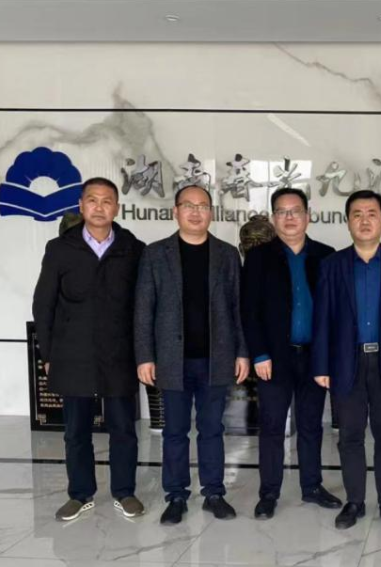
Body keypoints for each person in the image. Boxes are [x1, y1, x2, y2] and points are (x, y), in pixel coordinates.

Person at [32, 177, 146, 522]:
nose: (99, 207)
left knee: (124, 429)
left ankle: (125, 492)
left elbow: (143, 307)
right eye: (92, 200)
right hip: (73, 354)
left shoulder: (134, 249)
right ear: (81, 206)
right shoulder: (60, 249)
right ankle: (80, 494)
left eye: (107, 201)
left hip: (119, 355)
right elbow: (44, 305)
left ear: (117, 208)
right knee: (76, 431)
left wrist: (144, 354)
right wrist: (49, 354)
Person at [134, 184, 249, 525]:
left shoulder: (227, 254)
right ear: (176, 211)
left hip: (216, 358)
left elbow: (238, 308)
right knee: (175, 431)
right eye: (188, 205)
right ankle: (176, 495)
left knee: (212, 428)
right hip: (172, 359)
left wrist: (242, 352)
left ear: (211, 212)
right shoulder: (156, 254)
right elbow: (143, 309)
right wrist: (145, 356)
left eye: (202, 206)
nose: (196, 212)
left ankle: (214, 493)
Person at [312, 190, 381, 531]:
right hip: (346, 363)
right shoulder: (331, 266)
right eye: (357, 214)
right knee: (350, 437)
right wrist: (321, 365)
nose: (364, 220)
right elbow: (322, 318)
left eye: (371, 213)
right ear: (347, 222)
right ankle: (355, 502)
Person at [241, 188, 342, 519]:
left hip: (315, 357)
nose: (289, 217)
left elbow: (336, 313)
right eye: (282, 211)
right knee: (272, 426)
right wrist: (259, 354)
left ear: (307, 216)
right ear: (273, 218)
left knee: (311, 425)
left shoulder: (326, 256)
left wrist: (329, 358)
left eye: (295, 210)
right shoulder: (259, 257)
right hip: (274, 358)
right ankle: (269, 492)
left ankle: (312, 486)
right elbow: (249, 310)